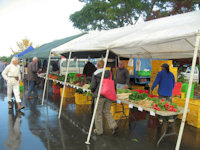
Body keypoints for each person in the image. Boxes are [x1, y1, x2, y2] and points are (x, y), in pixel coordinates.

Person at [91, 60, 117, 135]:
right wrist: (115, 93)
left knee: (98, 113)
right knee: (107, 111)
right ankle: (113, 125)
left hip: (100, 95)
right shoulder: (110, 73)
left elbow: (93, 85)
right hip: (109, 95)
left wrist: (92, 91)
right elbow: (113, 84)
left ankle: (99, 131)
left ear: (98, 65)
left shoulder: (95, 73)